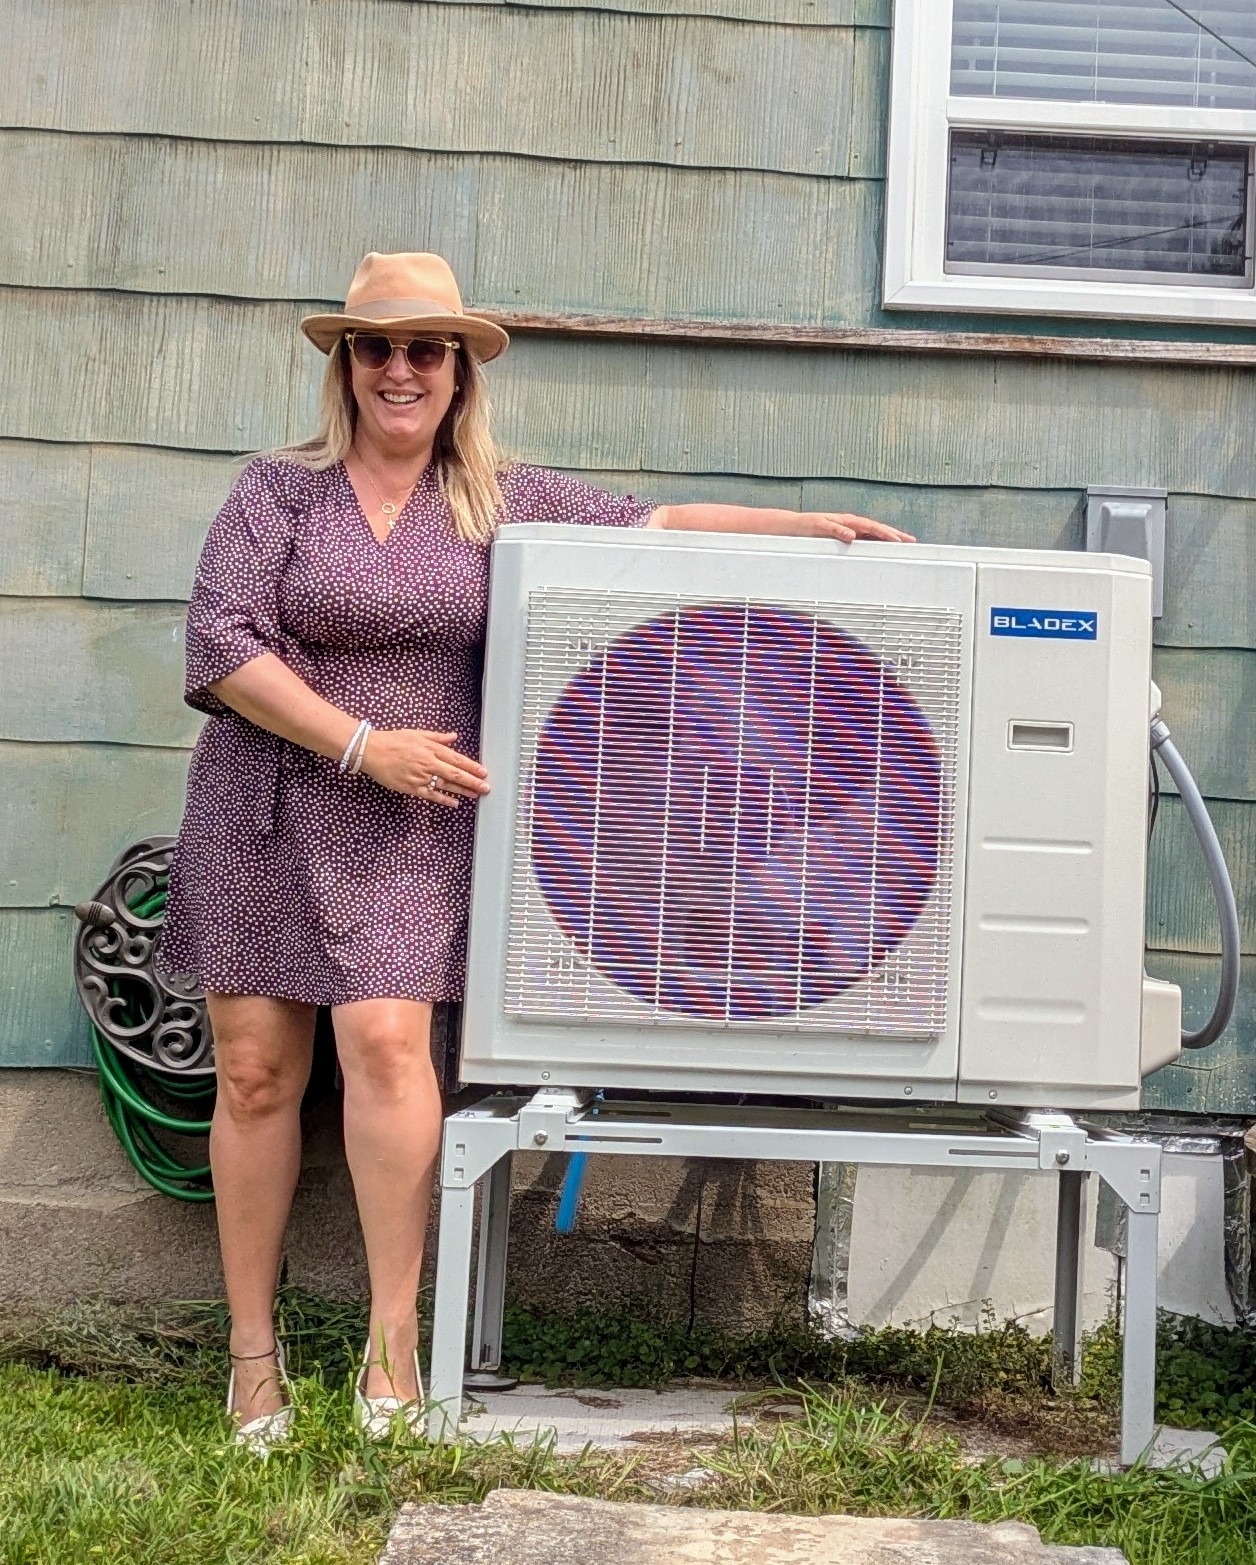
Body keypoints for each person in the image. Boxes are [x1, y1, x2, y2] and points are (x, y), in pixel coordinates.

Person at [157, 251, 914, 1454]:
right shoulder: (277, 494)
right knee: (254, 1074)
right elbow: (217, 642)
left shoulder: (496, 499)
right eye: (376, 346)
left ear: (458, 372)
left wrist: (803, 529)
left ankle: (391, 1349)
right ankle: (252, 1356)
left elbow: (655, 523)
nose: (399, 368)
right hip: (268, 801)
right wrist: (361, 743)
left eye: (425, 349)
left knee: (390, 1044)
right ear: (344, 365)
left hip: (411, 823)